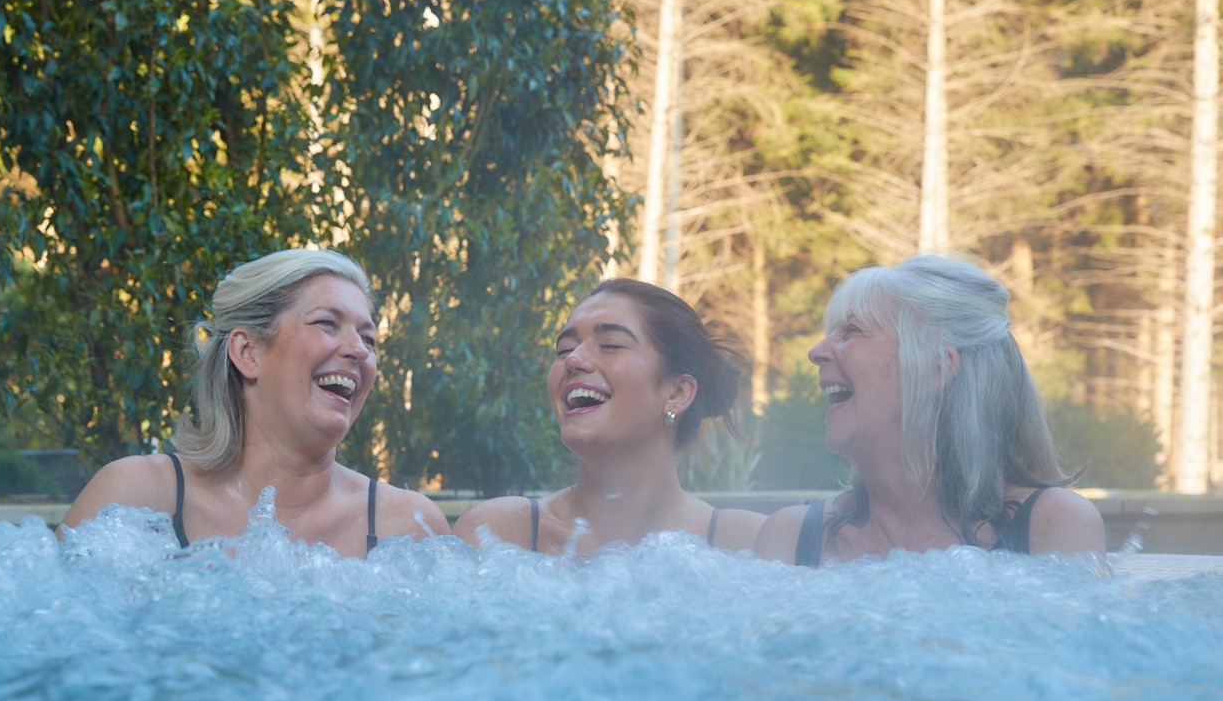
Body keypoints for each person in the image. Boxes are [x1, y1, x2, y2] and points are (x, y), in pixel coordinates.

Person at [60, 248, 449, 556]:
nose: (359, 351)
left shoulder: (405, 526)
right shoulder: (138, 498)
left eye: (369, 339)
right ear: (247, 352)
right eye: (327, 323)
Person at [754, 253, 1106, 566]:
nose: (816, 352)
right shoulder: (793, 538)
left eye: (851, 331)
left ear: (933, 369)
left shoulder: (1050, 526)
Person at [453, 278, 766, 555]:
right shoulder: (500, 533)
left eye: (610, 345)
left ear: (678, 393)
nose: (573, 360)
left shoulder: (745, 544)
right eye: (564, 349)